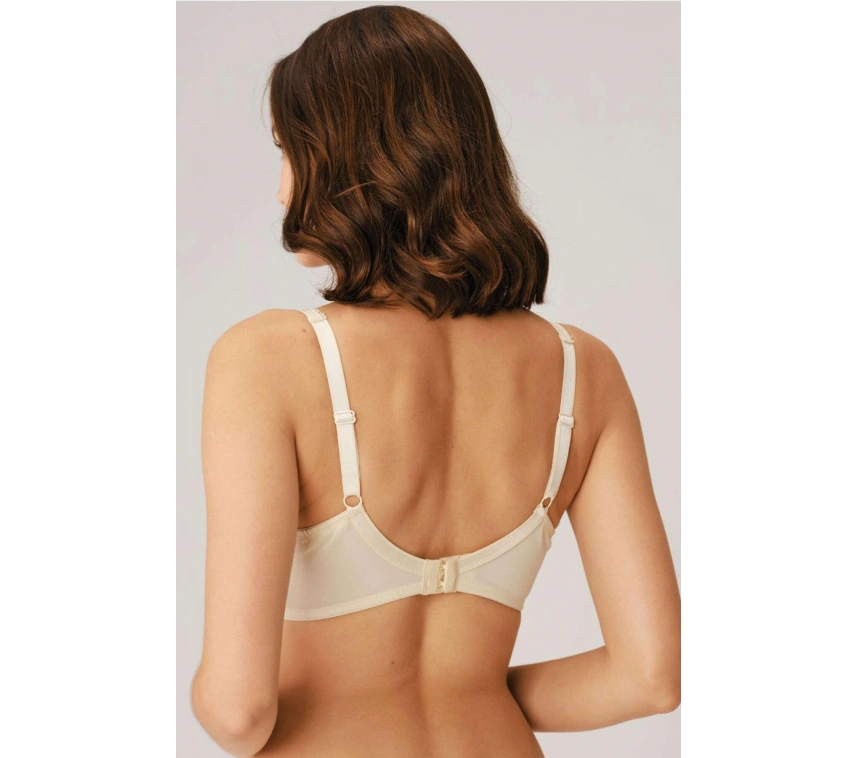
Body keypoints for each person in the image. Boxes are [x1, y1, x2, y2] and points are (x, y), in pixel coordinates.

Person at [190, 5, 680, 757]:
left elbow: (237, 711)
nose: (283, 191)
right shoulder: (585, 370)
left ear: (346, 158)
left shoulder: (266, 358)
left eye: (290, 152)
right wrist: (470, 690)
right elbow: (650, 677)